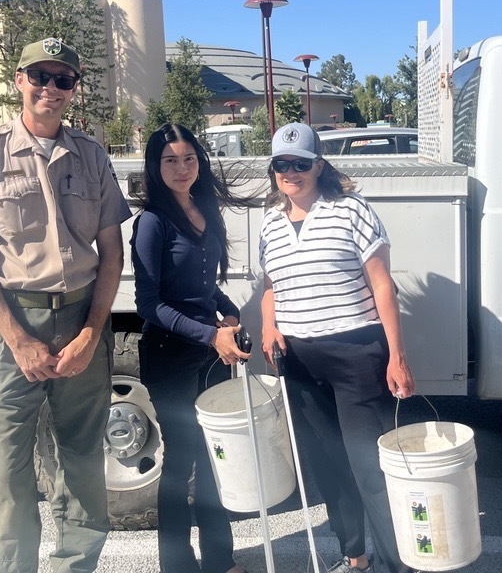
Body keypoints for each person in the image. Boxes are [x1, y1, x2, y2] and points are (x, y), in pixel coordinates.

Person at [0, 37, 130, 573]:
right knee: (9, 470)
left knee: (84, 461)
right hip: (10, 323)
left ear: (74, 88)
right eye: (40, 76)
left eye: (63, 79)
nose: (51, 88)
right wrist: (18, 340)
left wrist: (91, 333)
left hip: (81, 317)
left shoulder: (91, 155)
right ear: (19, 80)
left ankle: (75, 565)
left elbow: (111, 255)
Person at [259, 122, 417, 573]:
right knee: (328, 466)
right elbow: (270, 287)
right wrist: (269, 327)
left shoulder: (351, 209)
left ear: (319, 166)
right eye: (282, 164)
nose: (291, 172)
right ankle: (355, 556)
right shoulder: (270, 222)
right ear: (273, 170)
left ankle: (398, 563)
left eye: (301, 164)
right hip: (300, 361)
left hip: (356, 355)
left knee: (371, 467)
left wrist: (397, 356)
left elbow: (383, 285)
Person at [130, 122, 250, 573]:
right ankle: (177, 565)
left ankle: (220, 560)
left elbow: (204, 288)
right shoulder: (151, 222)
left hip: (210, 355)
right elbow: (149, 303)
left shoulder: (206, 209)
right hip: (169, 357)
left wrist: (230, 312)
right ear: (154, 166)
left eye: (189, 159)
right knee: (182, 461)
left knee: (216, 457)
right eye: (170, 160)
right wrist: (209, 334)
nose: (182, 168)